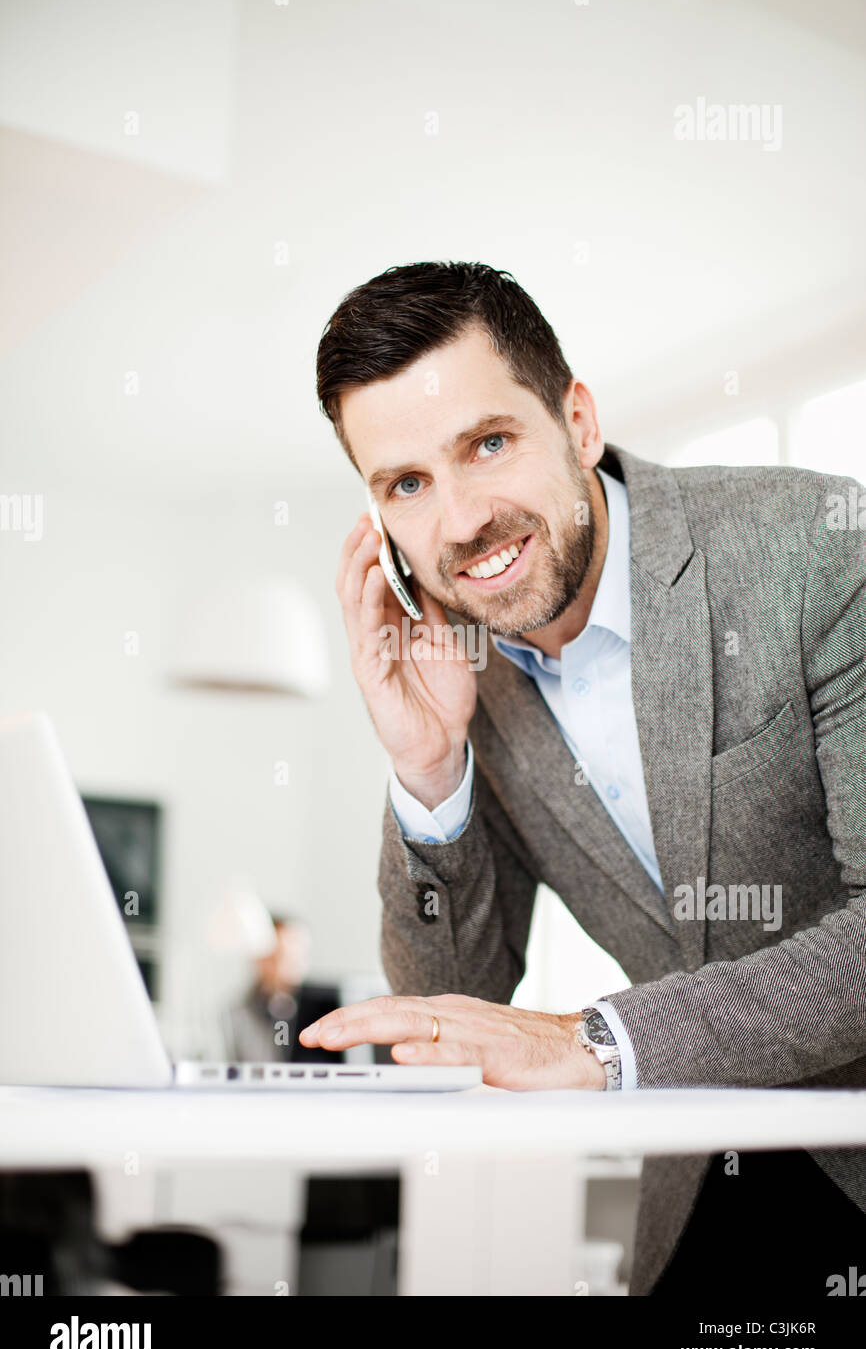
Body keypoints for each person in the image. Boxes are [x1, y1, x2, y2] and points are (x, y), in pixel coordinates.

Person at [302, 261, 866, 1296]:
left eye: (487, 443)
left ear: (576, 419)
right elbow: (452, 1008)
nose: (461, 519)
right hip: (706, 1185)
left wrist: (596, 1043)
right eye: (407, 484)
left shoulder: (816, 549)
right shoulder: (465, 676)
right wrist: (428, 771)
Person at [222, 915, 343, 1065]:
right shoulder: (240, 1013)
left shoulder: (327, 1006)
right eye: (281, 955)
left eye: (298, 953)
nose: (293, 961)